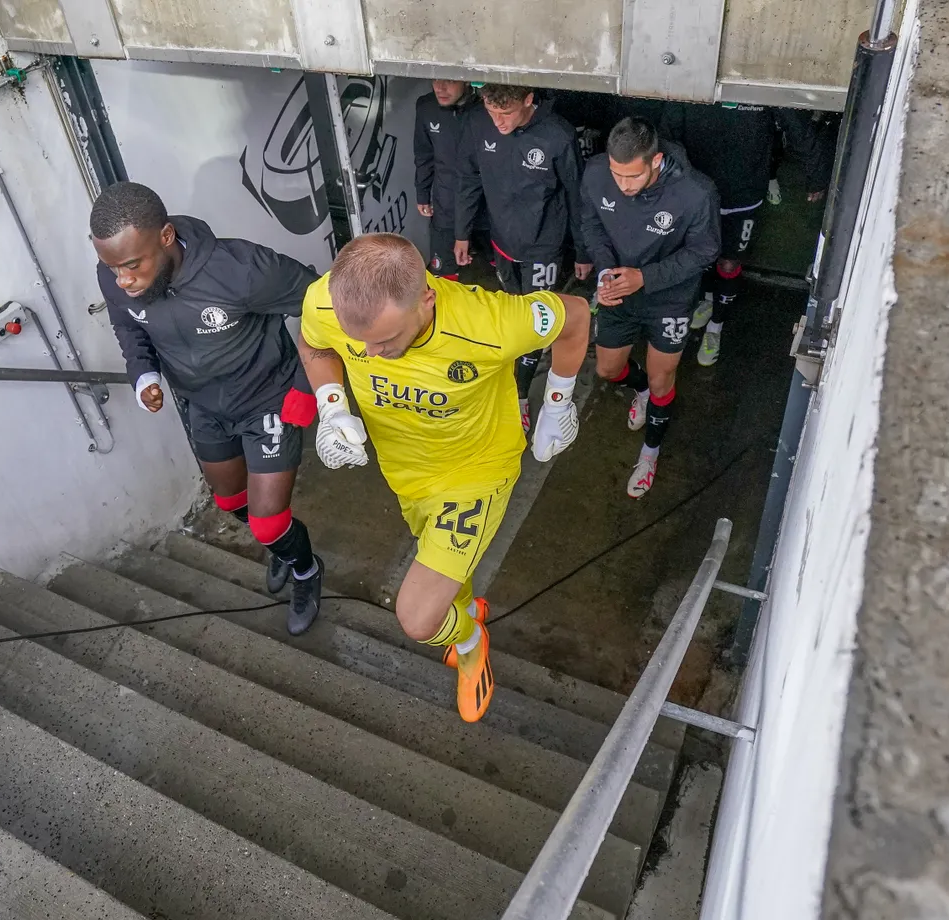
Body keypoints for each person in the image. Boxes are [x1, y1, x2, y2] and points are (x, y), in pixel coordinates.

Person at [298, 233, 591, 722]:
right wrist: (331, 406)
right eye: (360, 342)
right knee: (446, 576)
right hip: (405, 472)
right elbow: (314, 342)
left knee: (418, 616)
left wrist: (558, 403)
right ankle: (464, 610)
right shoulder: (325, 300)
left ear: (426, 300)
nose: (371, 351)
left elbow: (576, 316)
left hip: (475, 475)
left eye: (386, 339)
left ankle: (472, 640)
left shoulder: (491, 322)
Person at [91, 181, 325, 634]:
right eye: (112, 268)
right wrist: (144, 375)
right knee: (230, 499)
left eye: (132, 266)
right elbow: (127, 325)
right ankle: (284, 547)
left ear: (165, 237)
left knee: (266, 520)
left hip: (265, 399)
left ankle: (305, 569)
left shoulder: (241, 269)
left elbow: (325, 306)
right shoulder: (116, 275)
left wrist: (306, 383)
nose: (122, 281)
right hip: (203, 405)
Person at [580, 117, 720, 498]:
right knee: (608, 369)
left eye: (632, 177)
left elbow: (705, 251)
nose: (623, 187)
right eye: (616, 175)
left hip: (669, 298)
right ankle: (638, 389)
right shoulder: (595, 175)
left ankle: (650, 452)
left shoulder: (695, 192)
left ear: (655, 160)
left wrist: (647, 277)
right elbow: (591, 225)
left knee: (664, 378)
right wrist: (606, 271)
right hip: (619, 291)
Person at [455, 83, 590, 432]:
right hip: (501, 242)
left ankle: (519, 397)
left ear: (529, 100)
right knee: (515, 312)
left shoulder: (557, 136)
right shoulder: (477, 123)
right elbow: (468, 179)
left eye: (507, 113)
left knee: (534, 321)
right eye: (492, 112)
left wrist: (584, 251)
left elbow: (578, 197)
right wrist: (461, 232)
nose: (498, 122)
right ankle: (522, 367)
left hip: (544, 244)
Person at [662, 102, 829, 365]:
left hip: (744, 192)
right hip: (699, 189)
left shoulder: (764, 78)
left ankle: (716, 327)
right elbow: (668, 131)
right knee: (699, 251)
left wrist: (817, 175)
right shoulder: (698, 73)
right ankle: (708, 299)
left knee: (729, 260)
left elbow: (798, 127)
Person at [414, 78, 482, 282]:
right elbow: (424, 154)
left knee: (495, 266)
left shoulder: (485, 110)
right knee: (443, 274)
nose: (439, 87)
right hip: (445, 201)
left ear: (467, 81)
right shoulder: (426, 107)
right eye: (435, 80)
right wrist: (422, 192)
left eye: (449, 81)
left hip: (485, 206)